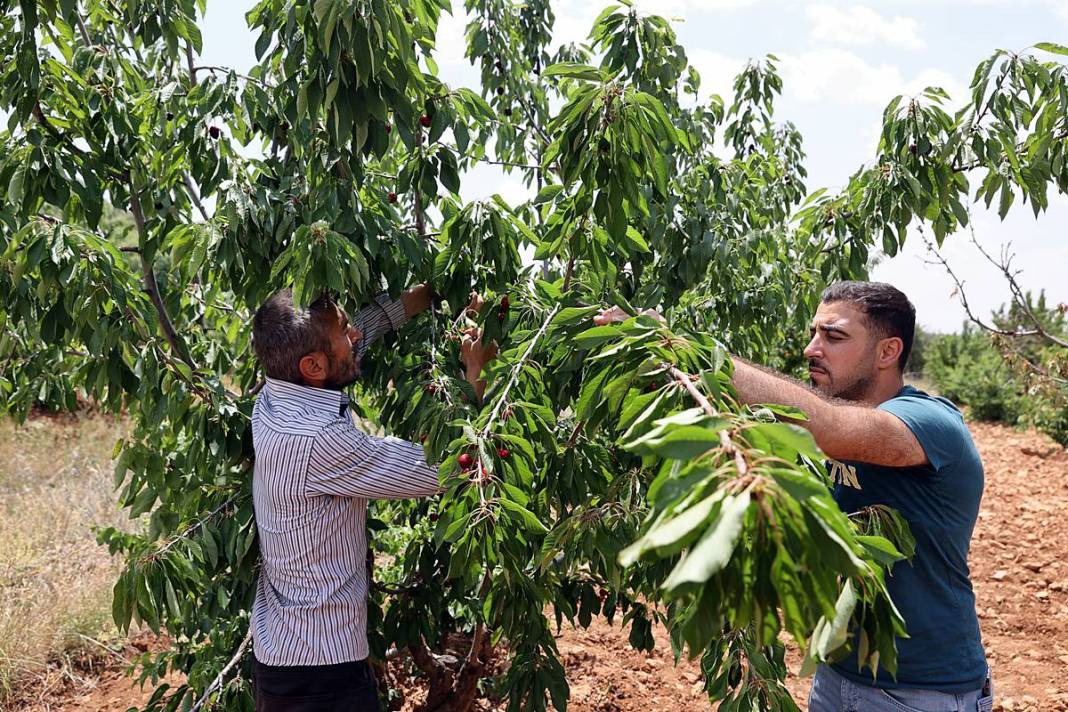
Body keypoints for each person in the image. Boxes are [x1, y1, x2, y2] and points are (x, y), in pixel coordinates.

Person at [596, 281, 993, 712]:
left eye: (833, 336)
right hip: (837, 671)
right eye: (813, 333)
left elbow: (830, 428)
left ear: (887, 352)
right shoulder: (825, 429)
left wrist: (683, 347)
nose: (810, 348)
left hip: (923, 691)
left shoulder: (932, 423)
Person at [249, 284, 494, 712]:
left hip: (287, 655)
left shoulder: (278, 389)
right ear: (313, 366)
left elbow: (360, 331)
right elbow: (450, 468)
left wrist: (436, 290)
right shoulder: (318, 440)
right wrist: (477, 373)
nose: (356, 336)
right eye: (345, 332)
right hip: (319, 675)